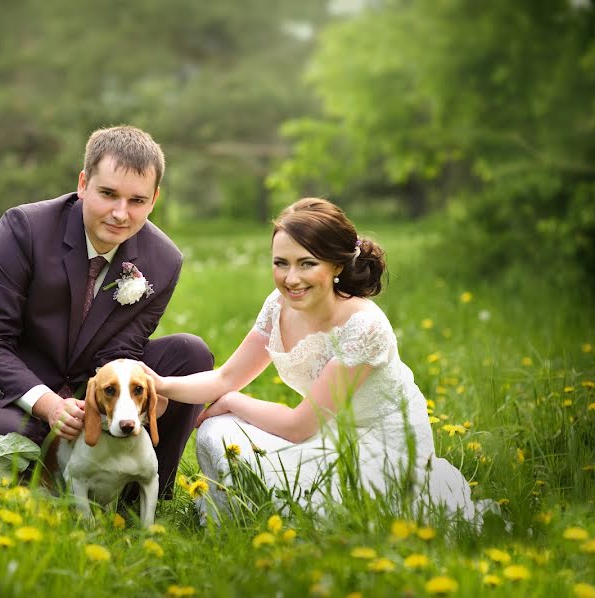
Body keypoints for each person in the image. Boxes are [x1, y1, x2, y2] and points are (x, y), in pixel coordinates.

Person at [144, 198, 488, 521]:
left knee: (240, 429)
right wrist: (157, 383)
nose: (291, 279)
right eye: (281, 263)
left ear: (337, 264)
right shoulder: (279, 305)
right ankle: (235, 523)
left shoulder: (363, 326)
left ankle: (288, 514)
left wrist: (233, 401)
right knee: (217, 431)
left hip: (382, 450)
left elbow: (298, 426)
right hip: (325, 434)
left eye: (307, 263)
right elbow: (223, 379)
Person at [0, 125, 212, 498]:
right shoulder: (23, 229)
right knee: (24, 434)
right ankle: (41, 490)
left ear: (154, 200)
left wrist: (123, 401)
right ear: (83, 184)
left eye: (137, 201)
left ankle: (142, 494)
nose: (120, 213)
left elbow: (124, 349)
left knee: (191, 354)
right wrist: (49, 405)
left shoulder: (163, 260)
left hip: (90, 382)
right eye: (108, 194)